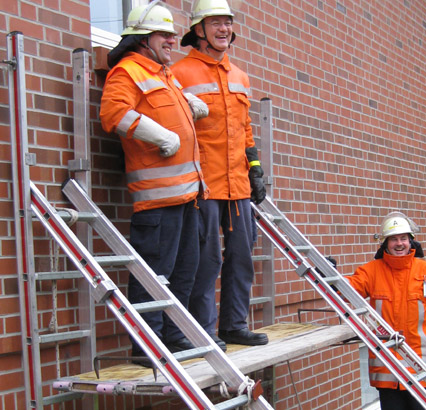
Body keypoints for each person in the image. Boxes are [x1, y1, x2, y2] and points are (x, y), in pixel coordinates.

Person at [99, 0, 210, 359]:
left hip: (188, 195)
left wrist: (187, 102)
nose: (171, 41)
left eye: (173, 35)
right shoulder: (127, 70)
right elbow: (113, 113)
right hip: (158, 199)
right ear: (143, 38)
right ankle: (147, 345)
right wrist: (161, 136)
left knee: (184, 273)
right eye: (164, 34)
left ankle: (175, 336)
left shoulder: (164, 74)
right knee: (154, 276)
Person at [171, 0, 268, 349]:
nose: (223, 29)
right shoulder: (180, 73)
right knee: (206, 261)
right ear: (198, 30)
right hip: (204, 185)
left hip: (238, 185)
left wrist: (255, 169)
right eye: (215, 23)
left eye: (227, 22)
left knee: (242, 256)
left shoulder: (240, 75)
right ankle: (203, 332)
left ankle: (233, 325)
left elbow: (246, 131)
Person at [347, 211, 426, 409]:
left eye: (403, 238)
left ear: (411, 241)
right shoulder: (371, 271)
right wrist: (327, 274)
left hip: (422, 370)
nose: (399, 243)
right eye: (393, 239)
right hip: (388, 370)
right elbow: (349, 289)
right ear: (385, 243)